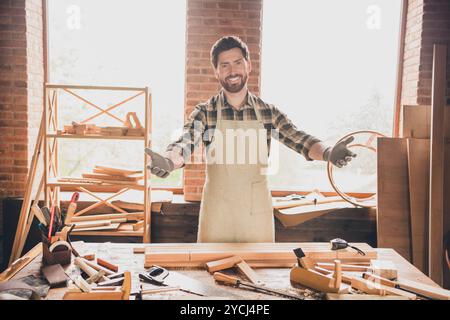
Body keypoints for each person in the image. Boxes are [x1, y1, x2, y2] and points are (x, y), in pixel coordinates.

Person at [145, 36, 356, 243]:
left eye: (237, 63)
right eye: (224, 65)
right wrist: (169, 161)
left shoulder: (267, 112)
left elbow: (299, 139)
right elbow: (185, 142)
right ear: (216, 71)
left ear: (248, 66)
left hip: (257, 214)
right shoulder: (205, 112)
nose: (232, 71)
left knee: (260, 275)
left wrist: (328, 152)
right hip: (218, 214)